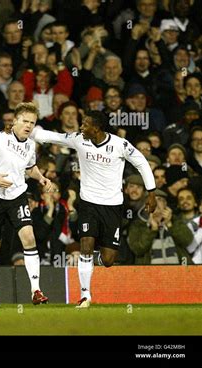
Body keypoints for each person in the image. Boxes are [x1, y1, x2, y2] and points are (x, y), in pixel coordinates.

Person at [31, 111, 157, 308]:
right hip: (88, 203)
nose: (81, 128)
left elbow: (141, 162)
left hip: (113, 206)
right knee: (86, 246)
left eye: (86, 124)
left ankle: (92, 260)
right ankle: (85, 295)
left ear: (96, 128)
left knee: (108, 260)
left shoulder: (119, 144)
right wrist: (24, 129)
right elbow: (50, 136)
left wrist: (151, 192)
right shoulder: (79, 139)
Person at [0, 102, 53, 307]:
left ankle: (36, 290)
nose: (28, 126)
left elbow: (30, 168)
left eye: (32, 122)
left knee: (29, 237)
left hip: (17, 196)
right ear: (14, 121)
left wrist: (41, 179)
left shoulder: (30, 145)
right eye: (25, 121)